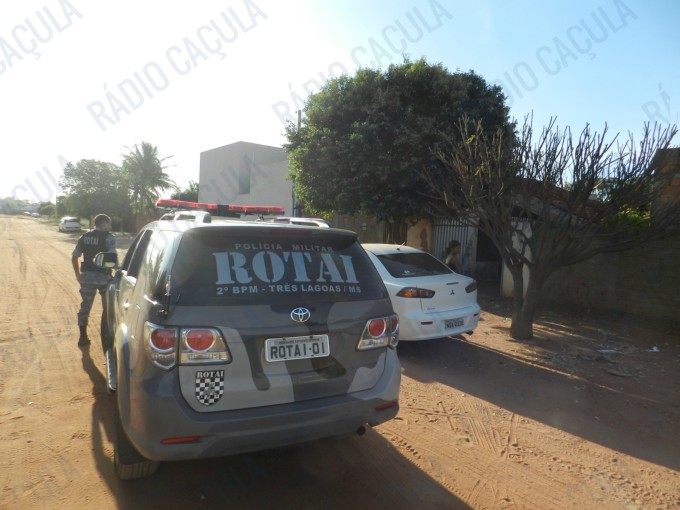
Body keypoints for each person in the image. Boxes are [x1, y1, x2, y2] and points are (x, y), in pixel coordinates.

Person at [71, 214, 116, 347]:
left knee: (85, 307)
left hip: (87, 278)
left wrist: (78, 275)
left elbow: (74, 257)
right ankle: (108, 337)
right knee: (108, 309)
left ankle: (83, 336)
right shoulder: (109, 238)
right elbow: (112, 260)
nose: (110, 226)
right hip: (103, 279)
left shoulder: (84, 237)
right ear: (103, 223)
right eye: (109, 223)